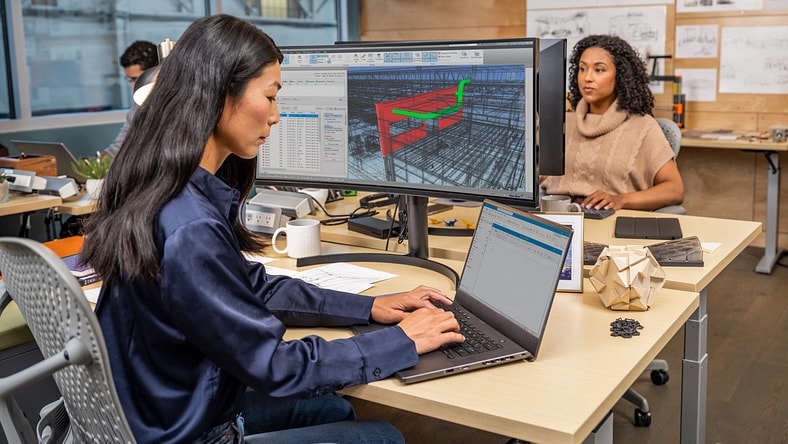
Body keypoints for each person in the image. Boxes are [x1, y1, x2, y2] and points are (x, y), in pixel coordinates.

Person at [80, 14, 464, 444]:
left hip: (161, 410)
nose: (277, 116)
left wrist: (370, 308)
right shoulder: (189, 226)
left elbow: (249, 288)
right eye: (271, 95)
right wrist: (400, 341)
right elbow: (274, 366)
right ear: (221, 93)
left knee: (336, 408)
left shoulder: (161, 188)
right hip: (191, 433)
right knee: (382, 436)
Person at [540, 34, 684, 211]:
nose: (587, 78)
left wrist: (620, 200)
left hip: (611, 219)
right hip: (559, 217)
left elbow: (675, 190)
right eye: (582, 69)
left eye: (599, 70)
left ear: (620, 76)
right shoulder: (563, 122)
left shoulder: (643, 126)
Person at [102, 40, 159, 157]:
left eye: (136, 79)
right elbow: (122, 143)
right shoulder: (139, 102)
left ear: (157, 72)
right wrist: (95, 165)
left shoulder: (177, 102)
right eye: (130, 79)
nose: (132, 86)